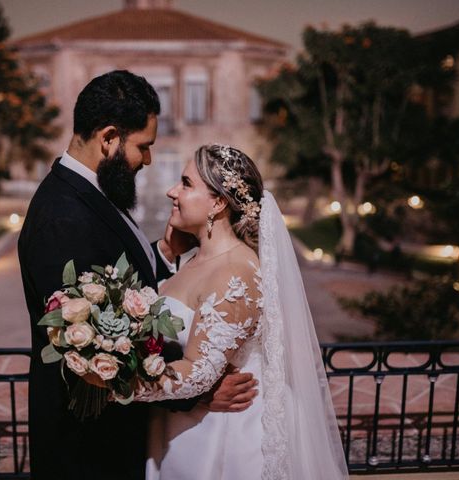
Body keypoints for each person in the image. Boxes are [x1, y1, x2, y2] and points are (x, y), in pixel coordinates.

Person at [18, 71, 257, 480]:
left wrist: (162, 253)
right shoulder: (63, 218)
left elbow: (118, 286)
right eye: (143, 147)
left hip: (125, 436)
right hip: (88, 448)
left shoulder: (91, 193)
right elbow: (99, 348)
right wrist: (197, 390)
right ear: (109, 138)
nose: (148, 160)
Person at [94, 144, 349, 479]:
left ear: (217, 202)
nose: (172, 192)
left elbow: (198, 373)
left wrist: (114, 385)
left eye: (185, 184)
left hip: (222, 437)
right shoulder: (194, 259)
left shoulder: (235, 271)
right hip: (179, 429)